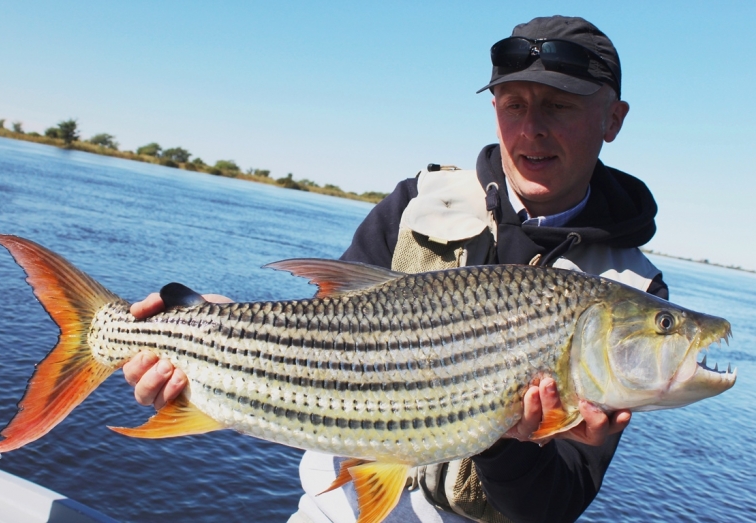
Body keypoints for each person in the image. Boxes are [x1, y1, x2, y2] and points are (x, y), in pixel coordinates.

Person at [124, 15, 668, 523]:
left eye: (559, 106)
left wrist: (506, 440)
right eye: (513, 104)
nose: (531, 130)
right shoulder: (416, 201)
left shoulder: (629, 294)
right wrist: (211, 326)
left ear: (613, 119)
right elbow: (319, 333)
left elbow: (555, 506)